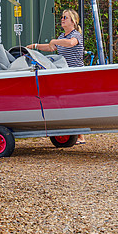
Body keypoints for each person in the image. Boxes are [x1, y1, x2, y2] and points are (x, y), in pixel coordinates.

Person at [27, 8, 86, 142]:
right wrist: (34, 46)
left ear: (73, 21)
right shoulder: (61, 37)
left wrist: (54, 41)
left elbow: (71, 43)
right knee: (68, 104)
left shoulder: (75, 35)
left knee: (74, 104)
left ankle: (80, 136)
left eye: (65, 17)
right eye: (62, 17)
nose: (62, 19)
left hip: (76, 75)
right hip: (65, 75)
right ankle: (77, 134)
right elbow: (50, 47)